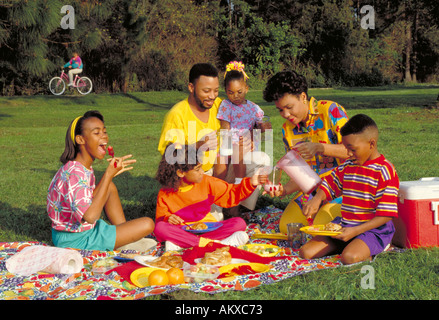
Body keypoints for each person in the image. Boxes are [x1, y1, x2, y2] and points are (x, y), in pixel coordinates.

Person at [157, 63, 263, 220]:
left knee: (259, 161)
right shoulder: (177, 115)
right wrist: (198, 146)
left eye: (215, 90)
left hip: (222, 168)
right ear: (191, 87)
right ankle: (222, 208)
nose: (212, 96)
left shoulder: (220, 105)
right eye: (206, 91)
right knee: (210, 223)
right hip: (198, 176)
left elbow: (249, 116)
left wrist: (250, 137)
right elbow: (170, 157)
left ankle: (235, 207)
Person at [47, 110, 155, 252]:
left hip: (77, 234)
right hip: (76, 240)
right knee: (148, 224)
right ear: (80, 140)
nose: (104, 136)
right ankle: (125, 241)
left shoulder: (80, 167)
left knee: (109, 186)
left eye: (104, 132)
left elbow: (87, 199)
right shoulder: (75, 173)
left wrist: (108, 177)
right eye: (96, 133)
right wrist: (109, 174)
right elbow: (90, 217)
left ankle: (124, 238)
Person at [300, 114, 399, 264]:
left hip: (373, 231)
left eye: (352, 149)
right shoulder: (348, 166)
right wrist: (317, 199)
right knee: (305, 252)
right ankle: (350, 246)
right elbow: (330, 183)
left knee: (349, 258)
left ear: (371, 144)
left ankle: (379, 246)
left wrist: (356, 231)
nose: (348, 154)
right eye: (346, 148)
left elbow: (385, 215)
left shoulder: (384, 171)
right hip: (345, 225)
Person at [262, 71, 350, 232]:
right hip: (313, 191)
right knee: (287, 227)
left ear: (303, 97)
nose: (286, 114)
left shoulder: (331, 110)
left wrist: (320, 148)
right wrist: (284, 190)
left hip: (344, 187)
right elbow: (303, 175)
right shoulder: (287, 130)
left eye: (289, 107)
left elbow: (355, 151)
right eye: (280, 110)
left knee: (323, 225)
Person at [154, 143, 268, 251]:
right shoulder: (165, 193)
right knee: (160, 228)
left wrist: (251, 183)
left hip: (209, 229)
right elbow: (161, 218)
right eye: (197, 169)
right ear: (180, 173)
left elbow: (231, 193)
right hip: (184, 231)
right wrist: (168, 218)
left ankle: (186, 244)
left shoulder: (207, 182)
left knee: (239, 223)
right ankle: (217, 244)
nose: (202, 172)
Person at [215, 61, 265, 183]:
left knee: (238, 153)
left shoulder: (254, 108)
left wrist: (263, 127)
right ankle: (217, 185)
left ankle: (239, 183)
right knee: (220, 158)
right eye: (230, 92)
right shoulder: (226, 105)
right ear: (226, 91)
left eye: (239, 92)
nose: (235, 96)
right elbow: (225, 126)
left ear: (246, 89)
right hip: (229, 141)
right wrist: (226, 146)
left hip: (244, 144)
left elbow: (258, 127)